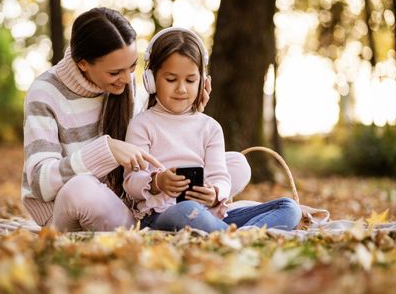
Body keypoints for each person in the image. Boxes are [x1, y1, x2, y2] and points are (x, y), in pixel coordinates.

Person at [21, 7, 251, 232]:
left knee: (235, 164)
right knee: (80, 188)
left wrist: (188, 115)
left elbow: (152, 136)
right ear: (83, 64)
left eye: (132, 67)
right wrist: (105, 150)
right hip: (73, 205)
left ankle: (178, 220)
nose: (126, 78)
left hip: (127, 206)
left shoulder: (124, 84)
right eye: (115, 72)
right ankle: (203, 223)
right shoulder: (45, 93)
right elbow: (41, 183)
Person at [123, 27, 302, 232]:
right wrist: (158, 182)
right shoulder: (142, 124)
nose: (181, 89)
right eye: (171, 79)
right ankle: (240, 234)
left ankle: (231, 234)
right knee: (187, 210)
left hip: (205, 214)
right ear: (151, 80)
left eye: (190, 80)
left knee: (289, 207)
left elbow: (220, 176)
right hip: (161, 215)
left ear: (203, 81)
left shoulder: (210, 127)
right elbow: (130, 183)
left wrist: (215, 193)